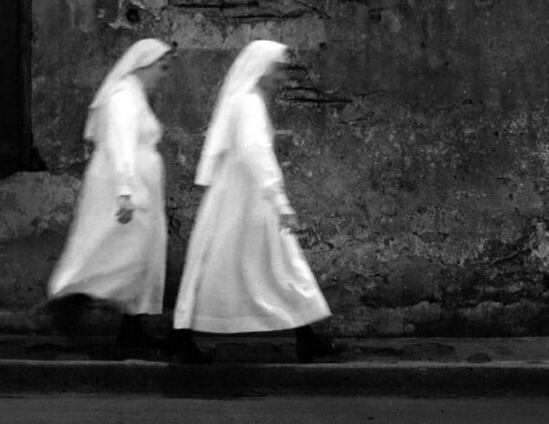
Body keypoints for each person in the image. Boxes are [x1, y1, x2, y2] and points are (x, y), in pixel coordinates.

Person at [169, 39, 339, 364]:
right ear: (261, 69)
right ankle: (305, 339)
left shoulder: (247, 100)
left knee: (223, 263)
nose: (282, 78)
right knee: (278, 264)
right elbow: (254, 152)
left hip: (239, 196)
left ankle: (304, 337)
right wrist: (280, 202)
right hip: (248, 198)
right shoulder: (249, 103)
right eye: (278, 69)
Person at [46, 38, 174, 351]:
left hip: (138, 186)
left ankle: (131, 327)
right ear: (144, 64)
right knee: (114, 251)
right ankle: (70, 301)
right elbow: (121, 145)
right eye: (162, 67)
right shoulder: (122, 96)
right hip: (124, 185)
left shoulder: (135, 95)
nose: (164, 74)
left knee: (139, 254)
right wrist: (125, 192)